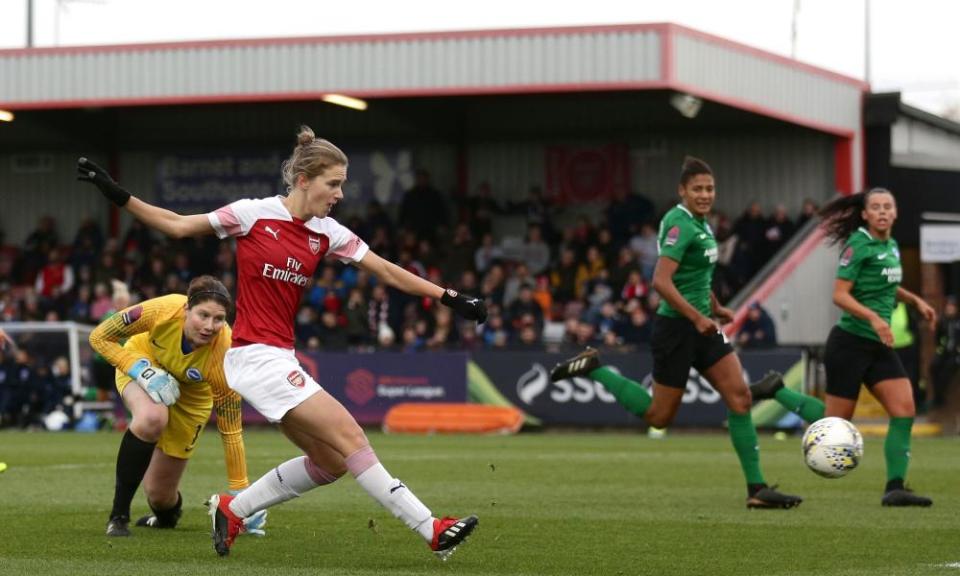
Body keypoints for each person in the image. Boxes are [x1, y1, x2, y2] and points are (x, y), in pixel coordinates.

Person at [77, 125, 487, 560]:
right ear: (304, 180)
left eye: (342, 185)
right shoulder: (253, 214)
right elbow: (178, 226)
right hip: (254, 357)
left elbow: (386, 270)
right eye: (334, 184)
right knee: (352, 437)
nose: (340, 194)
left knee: (330, 463)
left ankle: (236, 510)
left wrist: (449, 297)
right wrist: (118, 195)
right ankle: (432, 529)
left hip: (276, 359)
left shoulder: (329, 232)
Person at [549, 156, 802, 509]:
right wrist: (697, 319)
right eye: (697, 188)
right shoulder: (679, 224)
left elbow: (696, 275)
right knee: (659, 416)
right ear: (682, 191)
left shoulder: (703, 224)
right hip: (677, 329)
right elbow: (661, 282)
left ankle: (757, 490)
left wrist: (713, 307)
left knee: (740, 398)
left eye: (709, 188)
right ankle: (596, 368)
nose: (704, 194)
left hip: (702, 324)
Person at [750, 188, 937, 507]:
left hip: (878, 345)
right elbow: (840, 294)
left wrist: (914, 300)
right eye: (875, 207)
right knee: (833, 423)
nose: (882, 211)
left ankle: (895, 488)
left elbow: (886, 284)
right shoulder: (858, 245)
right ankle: (778, 390)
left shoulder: (890, 245)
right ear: (864, 214)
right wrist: (875, 319)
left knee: (904, 409)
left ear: (895, 213)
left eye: (887, 206)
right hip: (850, 343)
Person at [88, 275, 265, 536]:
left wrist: (242, 493)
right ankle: (119, 516)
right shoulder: (161, 309)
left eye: (218, 319)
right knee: (152, 418)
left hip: (193, 397)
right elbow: (99, 337)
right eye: (202, 315)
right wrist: (140, 370)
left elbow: (230, 430)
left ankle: (165, 517)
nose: (209, 326)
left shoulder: (226, 355)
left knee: (160, 496)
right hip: (143, 362)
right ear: (185, 309)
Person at [930, 297, 960, 408]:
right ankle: (937, 398)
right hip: (944, 352)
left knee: (947, 372)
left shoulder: (958, 322)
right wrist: (940, 349)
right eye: (948, 307)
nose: (950, 309)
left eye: (952, 307)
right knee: (933, 367)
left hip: (956, 354)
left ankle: (940, 399)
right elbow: (937, 339)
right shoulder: (942, 321)